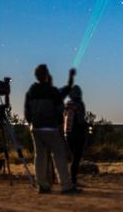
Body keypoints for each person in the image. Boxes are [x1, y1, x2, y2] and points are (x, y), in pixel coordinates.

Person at [24, 64, 80, 194]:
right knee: (59, 155)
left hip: (36, 128)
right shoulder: (52, 92)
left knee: (40, 157)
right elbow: (60, 108)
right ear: (47, 75)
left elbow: (27, 111)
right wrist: (59, 126)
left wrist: (31, 122)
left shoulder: (31, 92)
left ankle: (43, 185)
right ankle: (66, 186)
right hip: (50, 128)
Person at [64, 84, 88, 186]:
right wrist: (87, 126)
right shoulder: (80, 104)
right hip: (78, 133)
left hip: (68, 134)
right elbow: (80, 120)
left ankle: (71, 179)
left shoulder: (67, 104)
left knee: (73, 157)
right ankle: (73, 180)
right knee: (76, 158)